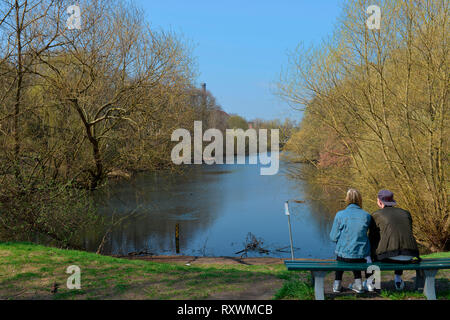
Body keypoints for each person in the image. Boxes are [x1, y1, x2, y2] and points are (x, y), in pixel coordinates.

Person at [368, 189, 420, 290]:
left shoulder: (376, 215)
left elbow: (372, 238)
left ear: (379, 201)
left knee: (373, 244)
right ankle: (398, 280)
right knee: (399, 242)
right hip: (409, 256)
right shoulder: (406, 213)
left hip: (389, 257)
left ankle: (372, 282)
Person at [330, 188, 373, 293]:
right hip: (360, 254)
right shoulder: (366, 215)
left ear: (347, 199)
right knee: (357, 251)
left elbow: (333, 237)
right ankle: (358, 284)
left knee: (342, 254)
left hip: (343, 255)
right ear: (360, 199)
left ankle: (337, 284)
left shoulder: (340, 215)